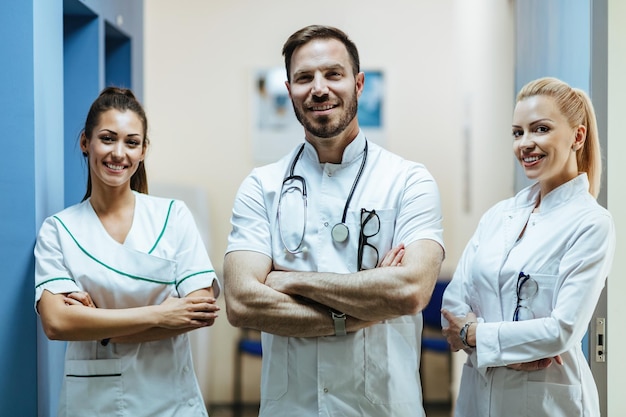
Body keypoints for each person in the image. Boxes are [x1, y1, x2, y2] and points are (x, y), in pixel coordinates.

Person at [224, 25, 445, 417]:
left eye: (333, 74)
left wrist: (290, 280)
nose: (319, 88)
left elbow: (411, 290)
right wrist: (365, 308)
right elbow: (241, 302)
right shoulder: (262, 186)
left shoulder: (408, 180)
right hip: (293, 407)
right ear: (289, 89)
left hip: (384, 404)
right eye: (304, 78)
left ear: (358, 84)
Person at [34, 87, 221, 417]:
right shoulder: (59, 230)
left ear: (143, 150)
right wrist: (161, 313)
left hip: (170, 399)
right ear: (84, 142)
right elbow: (56, 322)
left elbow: (200, 310)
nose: (118, 153)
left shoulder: (173, 215)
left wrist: (98, 325)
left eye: (131, 142)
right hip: (93, 402)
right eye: (107, 138)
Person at [441, 77, 615, 417]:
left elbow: (561, 330)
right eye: (518, 132)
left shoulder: (591, 223)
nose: (525, 143)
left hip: (549, 405)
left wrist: (476, 337)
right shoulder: (498, 216)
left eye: (540, 129)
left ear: (577, 137)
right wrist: (508, 348)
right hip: (478, 398)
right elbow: (452, 307)